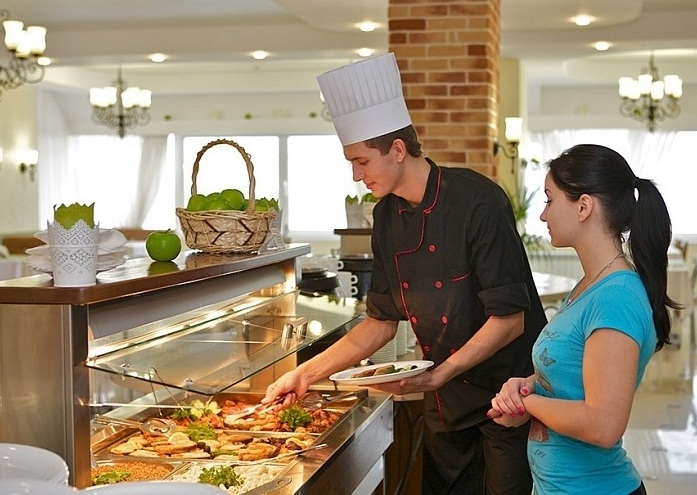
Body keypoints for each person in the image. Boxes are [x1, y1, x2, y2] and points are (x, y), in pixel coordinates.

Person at [263, 53, 547, 494]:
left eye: (362, 162)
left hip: (507, 399)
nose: (356, 176)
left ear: (398, 150)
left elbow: (509, 319)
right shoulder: (386, 218)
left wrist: (438, 374)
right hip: (446, 405)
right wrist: (305, 374)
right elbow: (380, 323)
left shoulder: (478, 201)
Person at [488, 144, 679, 495]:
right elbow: (571, 374)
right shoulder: (591, 285)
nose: (542, 215)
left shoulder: (616, 298)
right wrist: (525, 386)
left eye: (549, 200)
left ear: (584, 206)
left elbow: (603, 425)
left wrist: (528, 404)